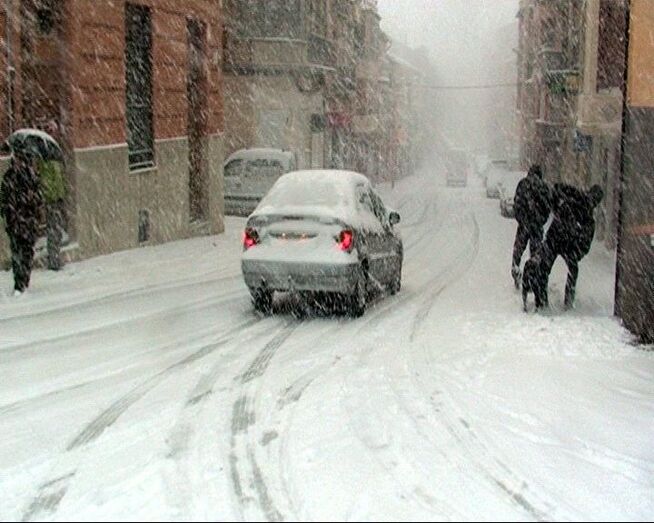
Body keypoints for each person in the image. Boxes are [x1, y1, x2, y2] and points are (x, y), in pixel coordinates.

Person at [528, 183, 604, 310]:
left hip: (559, 239)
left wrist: (557, 208)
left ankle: (545, 302)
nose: (593, 202)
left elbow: (557, 188)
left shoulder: (585, 211)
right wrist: (557, 208)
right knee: (558, 270)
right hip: (562, 240)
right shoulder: (582, 206)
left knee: (545, 269)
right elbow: (557, 189)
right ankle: (560, 303)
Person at [0, 151, 44, 295]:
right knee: (17, 252)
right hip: (16, 221)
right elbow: (4, 197)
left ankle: (24, 279)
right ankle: (19, 282)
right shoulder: (10, 176)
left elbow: (38, 198)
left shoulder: (30, 177)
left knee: (26, 251)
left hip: (26, 221)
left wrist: (33, 202)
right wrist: (7, 212)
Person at [511, 164, 552, 287]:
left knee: (518, 251)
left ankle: (516, 271)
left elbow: (516, 203)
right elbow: (547, 208)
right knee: (535, 254)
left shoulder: (523, 184)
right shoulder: (544, 187)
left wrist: (521, 219)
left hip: (524, 225)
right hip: (536, 227)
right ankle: (532, 278)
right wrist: (540, 221)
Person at [37, 157, 66, 270]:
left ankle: (55, 257)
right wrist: (54, 196)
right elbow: (49, 183)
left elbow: (59, 181)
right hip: (52, 200)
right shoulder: (46, 165)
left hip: (56, 199)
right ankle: (54, 259)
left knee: (56, 230)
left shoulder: (53, 164)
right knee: (54, 229)